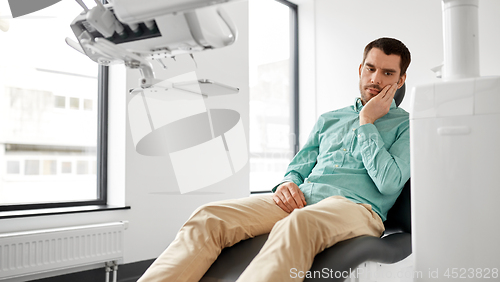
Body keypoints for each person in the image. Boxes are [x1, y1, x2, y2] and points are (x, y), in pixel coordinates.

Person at [137, 37, 411, 282]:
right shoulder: (330, 118)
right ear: (360, 69)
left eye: (387, 73)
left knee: (300, 223)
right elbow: (299, 167)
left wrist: (367, 121)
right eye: (370, 68)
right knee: (209, 216)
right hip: (302, 199)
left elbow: (389, 183)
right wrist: (287, 183)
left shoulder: (408, 126)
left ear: (400, 81)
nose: (375, 79)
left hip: (357, 208)